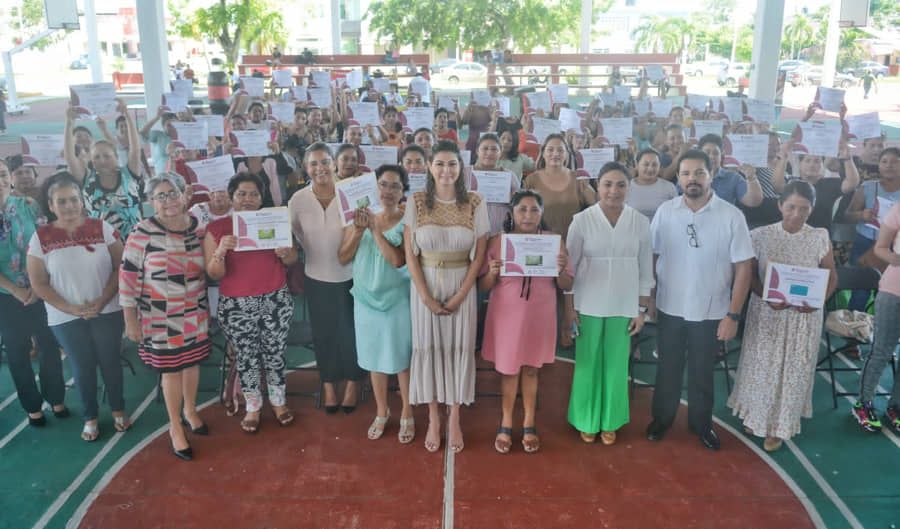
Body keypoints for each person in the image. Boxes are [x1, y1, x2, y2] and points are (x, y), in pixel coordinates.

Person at [646, 150, 754, 451]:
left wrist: (733, 315)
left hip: (712, 310)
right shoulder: (666, 211)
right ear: (678, 178)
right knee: (667, 368)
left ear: (711, 174)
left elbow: (744, 267)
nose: (691, 179)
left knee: (702, 371)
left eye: (698, 173)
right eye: (685, 173)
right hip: (670, 306)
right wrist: (650, 297)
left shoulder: (731, 216)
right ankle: (662, 419)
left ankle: (701, 425)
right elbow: (651, 256)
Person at [727, 181, 837, 451]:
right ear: (779, 205)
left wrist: (818, 302)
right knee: (762, 366)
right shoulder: (760, 235)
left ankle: (779, 426)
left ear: (812, 209)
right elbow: (749, 276)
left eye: (804, 209)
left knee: (793, 370)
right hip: (768, 313)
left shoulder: (820, 236)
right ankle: (755, 415)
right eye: (791, 207)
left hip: (804, 318)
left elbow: (832, 277)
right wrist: (767, 297)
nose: (796, 214)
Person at [27, 172, 130, 441]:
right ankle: (90, 417)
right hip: (64, 317)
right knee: (82, 365)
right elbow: (39, 283)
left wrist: (101, 301)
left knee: (110, 361)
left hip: (107, 310)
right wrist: (71, 309)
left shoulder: (102, 228)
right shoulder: (40, 238)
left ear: (82, 200)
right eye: (61, 201)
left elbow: (120, 267)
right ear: (51, 206)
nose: (69, 206)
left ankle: (118, 410)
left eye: (74, 199)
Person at [404, 140, 489, 453]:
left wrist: (461, 295)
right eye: (439, 163)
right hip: (424, 283)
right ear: (430, 167)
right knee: (428, 347)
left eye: (452, 164)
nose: (446, 170)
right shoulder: (416, 201)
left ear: (460, 168)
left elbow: (479, 256)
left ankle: (454, 417)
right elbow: (410, 255)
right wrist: (426, 297)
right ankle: (432, 417)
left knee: (458, 349)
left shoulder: (475, 202)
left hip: (461, 284)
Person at [120, 175, 212, 461]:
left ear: (184, 195)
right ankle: (175, 426)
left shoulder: (198, 229)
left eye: (172, 193)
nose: (168, 200)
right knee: (171, 370)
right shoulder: (142, 232)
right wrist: (130, 319)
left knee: (192, 364)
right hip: (159, 316)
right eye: (160, 196)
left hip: (195, 310)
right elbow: (128, 277)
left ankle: (190, 411)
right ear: (151, 202)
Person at [564, 163, 654, 445]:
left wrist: (641, 310)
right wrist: (569, 308)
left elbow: (645, 268)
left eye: (620, 185)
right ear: (597, 185)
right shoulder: (582, 220)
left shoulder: (640, 222)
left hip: (624, 304)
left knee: (616, 365)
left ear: (629, 187)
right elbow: (569, 268)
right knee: (587, 363)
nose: (613, 191)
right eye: (607, 184)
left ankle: (610, 420)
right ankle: (586, 419)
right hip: (587, 302)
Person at [479, 190, 572, 453]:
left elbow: (566, 284)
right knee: (509, 370)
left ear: (542, 214)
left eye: (534, 210)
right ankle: (506, 422)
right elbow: (483, 286)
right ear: (512, 212)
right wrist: (492, 273)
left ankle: (529, 422)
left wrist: (560, 269)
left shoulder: (553, 242)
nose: (528, 215)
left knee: (531, 369)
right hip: (507, 315)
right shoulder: (498, 242)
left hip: (539, 315)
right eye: (522, 209)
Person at [205, 173, 297, 433]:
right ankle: (253, 406)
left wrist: (285, 252)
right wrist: (221, 251)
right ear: (231, 197)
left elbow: (292, 260)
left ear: (261, 197)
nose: (248, 199)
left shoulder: (274, 221)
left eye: (254, 194)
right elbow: (213, 273)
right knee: (247, 356)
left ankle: (278, 401)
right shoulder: (218, 228)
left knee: (275, 352)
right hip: (236, 305)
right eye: (241, 194)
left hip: (275, 299)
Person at [338, 165, 414, 443]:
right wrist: (359, 231)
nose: (388, 191)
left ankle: (407, 411)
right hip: (365, 299)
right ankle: (382, 411)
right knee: (374, 359)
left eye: (395, 186)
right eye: (383, 184)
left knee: (402, 358)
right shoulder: (357, 218)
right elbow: (343, 257)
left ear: (403, 190)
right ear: (375, 186)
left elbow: (398, 260)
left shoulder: (408, 221)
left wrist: (376, 230)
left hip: (397, 298)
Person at [289, 143, 366, 413]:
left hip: (352, 276)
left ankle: (354, 382)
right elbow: (295, 234)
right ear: (305, 168)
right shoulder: (298, 200)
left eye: (325, 162)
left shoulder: (351, 194)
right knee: (324, 334)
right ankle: (329, 384)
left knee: (351, 332)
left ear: (334, 164)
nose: (320, 168)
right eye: (313, 163)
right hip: (316, 276)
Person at [0, 159, 67, 428]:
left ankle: (56, 398)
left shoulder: (28, 205)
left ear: (10, 178)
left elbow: (46, 242)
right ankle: (32, 407)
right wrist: (15, 289)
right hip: (6, 295)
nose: (0, 181)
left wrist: (39, 285)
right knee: (17, 351)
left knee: (49, 343)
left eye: (2, 174)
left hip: (39, 288)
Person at [852, 202, 900, 433]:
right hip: (893, 291)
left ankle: (896, 406)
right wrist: (894, 258)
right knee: (882, 350)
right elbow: (880, 248)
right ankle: (863, 403)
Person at [65, 99, 144, 238]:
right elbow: (70, 157)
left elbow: (135, 148)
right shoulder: (86, 179)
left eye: (107, 156)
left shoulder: (129, 174)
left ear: (116, 157)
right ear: (91, 160)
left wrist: (126, 114)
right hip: (99, 243)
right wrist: (69, 122)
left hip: (135, 242)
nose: (102, 161)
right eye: (97, 157)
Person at [772, 139, 860, 231]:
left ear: (822, 165)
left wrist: (847, 159)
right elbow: (777, 185)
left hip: (820, 233)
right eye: (807, 161)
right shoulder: (792, 182)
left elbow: (852, 182)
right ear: (800, 164)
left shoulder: (830, 184)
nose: (812, 165)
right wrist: (783, 158)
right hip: (790, 232)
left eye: (817, 161)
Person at [522, 133, 596, 239]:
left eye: (560, 150)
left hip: (574, 242)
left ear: (566, 154)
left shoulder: (577, 178)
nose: (555, 154)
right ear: (543, 153)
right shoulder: (531, 180)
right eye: (550, 150)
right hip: (541, 243)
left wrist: (587, 185)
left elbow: (596, 204)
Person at [471, 133, 521, 235]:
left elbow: (519, 206)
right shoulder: (466, 174)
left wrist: (513, 200)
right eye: (485, 148)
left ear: (500, 152)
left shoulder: (510, 176)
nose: (489, 153)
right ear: (477, 151)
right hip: (471, 229)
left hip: (500, 230)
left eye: (494, 149)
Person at [697, 134, 764, 208]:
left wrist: (751, 178)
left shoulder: (733, 178)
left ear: (721, 156)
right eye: (707, 153)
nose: (711, 156)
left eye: (716, 153)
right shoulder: (691, 176)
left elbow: (753, 202)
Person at [625, 148, 677, 220]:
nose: (650, 169)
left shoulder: (669, 187)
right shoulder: (626, 187)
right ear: (637, 165)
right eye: (646, 164)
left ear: (659, 166)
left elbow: (676, 214)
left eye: (655, 165)